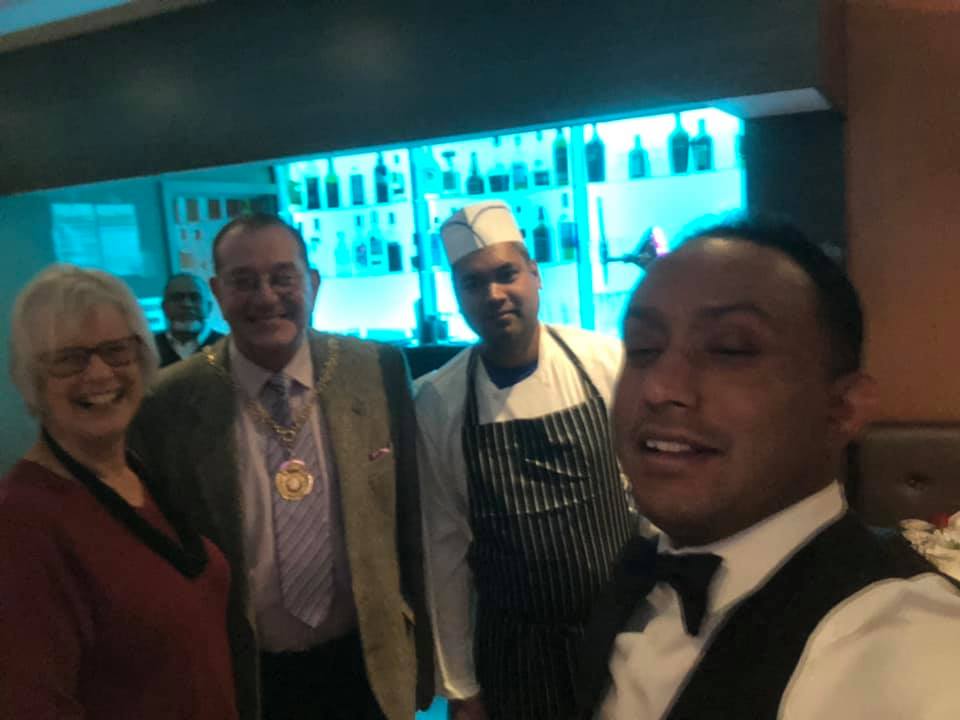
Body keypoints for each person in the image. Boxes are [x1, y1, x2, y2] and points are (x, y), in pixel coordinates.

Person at [577, 216, 960, 719]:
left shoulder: (906, 646)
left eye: (730, 349)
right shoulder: (640, 571)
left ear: (843, 408)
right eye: (643, 349)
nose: (659, 387)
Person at [128, 212, 433, 720]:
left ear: (312, 282)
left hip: (368, 664)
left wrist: (427, 664)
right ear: (217, 292)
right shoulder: (169, 401)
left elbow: (411, 525)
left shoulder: (375, 370)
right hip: (245, 675)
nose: (266, 297)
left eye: (282, 277)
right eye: (244, 281)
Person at [416, 200, 638, 720]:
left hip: (623, 634)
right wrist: (461, 688)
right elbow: (444, 550)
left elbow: (650, 501)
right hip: (512, 652)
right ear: (458, 295)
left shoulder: (606, 362)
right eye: (473, 283)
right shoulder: (437, 400)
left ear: (535, 274)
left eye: (506, 274)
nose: (493, 294)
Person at [0, 265, 237, 719]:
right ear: (32, 378)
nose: (98, 373)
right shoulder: (22, 522)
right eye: (69, 358)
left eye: (116, 350)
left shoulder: (137, 474)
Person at [154, 271, 224, 367]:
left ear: (209, 307)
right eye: (177, 298)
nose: (187, 304)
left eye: (195, 298)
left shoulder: (227, 347)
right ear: (164, 307)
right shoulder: (150, 348)